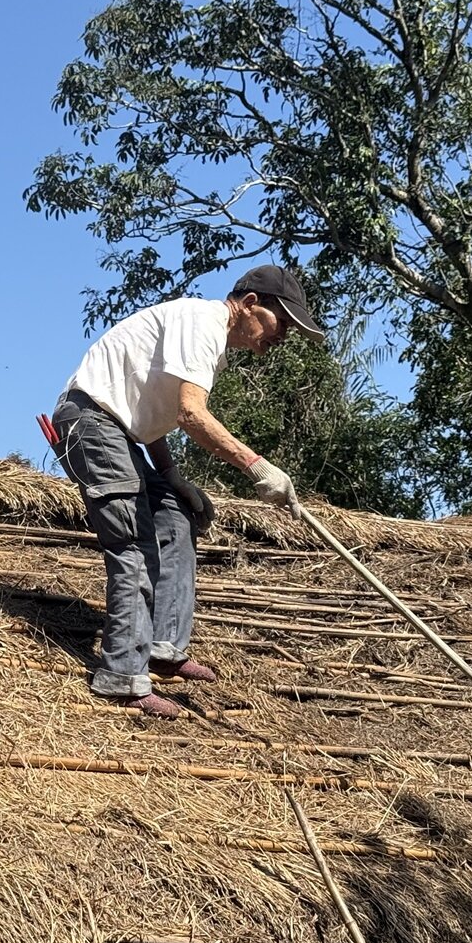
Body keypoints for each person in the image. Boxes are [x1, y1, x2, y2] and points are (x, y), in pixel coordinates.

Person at [49, 265, 324, 718]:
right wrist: (257, 466)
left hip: (119, 430)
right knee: (133, 541)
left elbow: (149, 412)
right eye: (284, 322)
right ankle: (122, 677)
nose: (285, 337)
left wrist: (172, 477)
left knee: (175, 518)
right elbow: (191, 415)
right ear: (251, 304)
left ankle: (162, 649)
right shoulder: (202, 322)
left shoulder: (207, 341)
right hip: (89, 422)